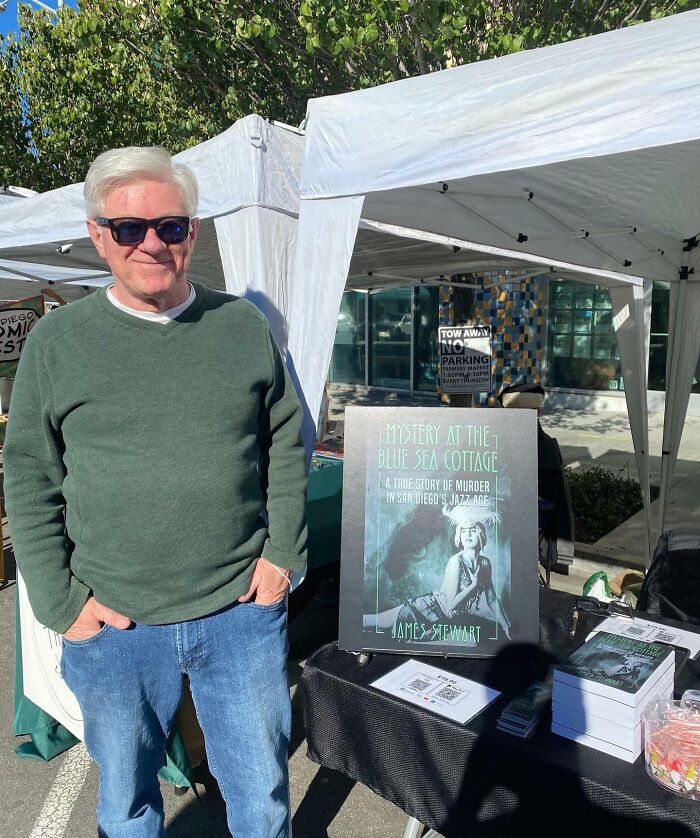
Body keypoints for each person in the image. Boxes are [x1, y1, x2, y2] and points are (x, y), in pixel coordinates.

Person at [4, 146, 307, 838]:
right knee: (129, 805)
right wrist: (60, 603)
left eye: (169, 228)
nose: (151, 243)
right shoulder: (58, 342)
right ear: (97, 235)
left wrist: (282, 554)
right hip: (115, 626)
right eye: (128, 229)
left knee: (260, 799)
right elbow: (27, 473)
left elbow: (286, 443)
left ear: (192, 234)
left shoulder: (241, 327)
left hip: (238, 612)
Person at [363, 506, 511, 640]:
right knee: (372, 622)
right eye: (464, 531)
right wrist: (473, 585)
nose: (468, 534)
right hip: (424, 611)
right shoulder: (456, 562)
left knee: (375, 625)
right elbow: (451, 605)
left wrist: (505, 625)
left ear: (480, 535)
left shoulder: (485, 563)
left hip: (443, 620)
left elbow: (491, 598)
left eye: (472, 531)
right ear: (459, 535)